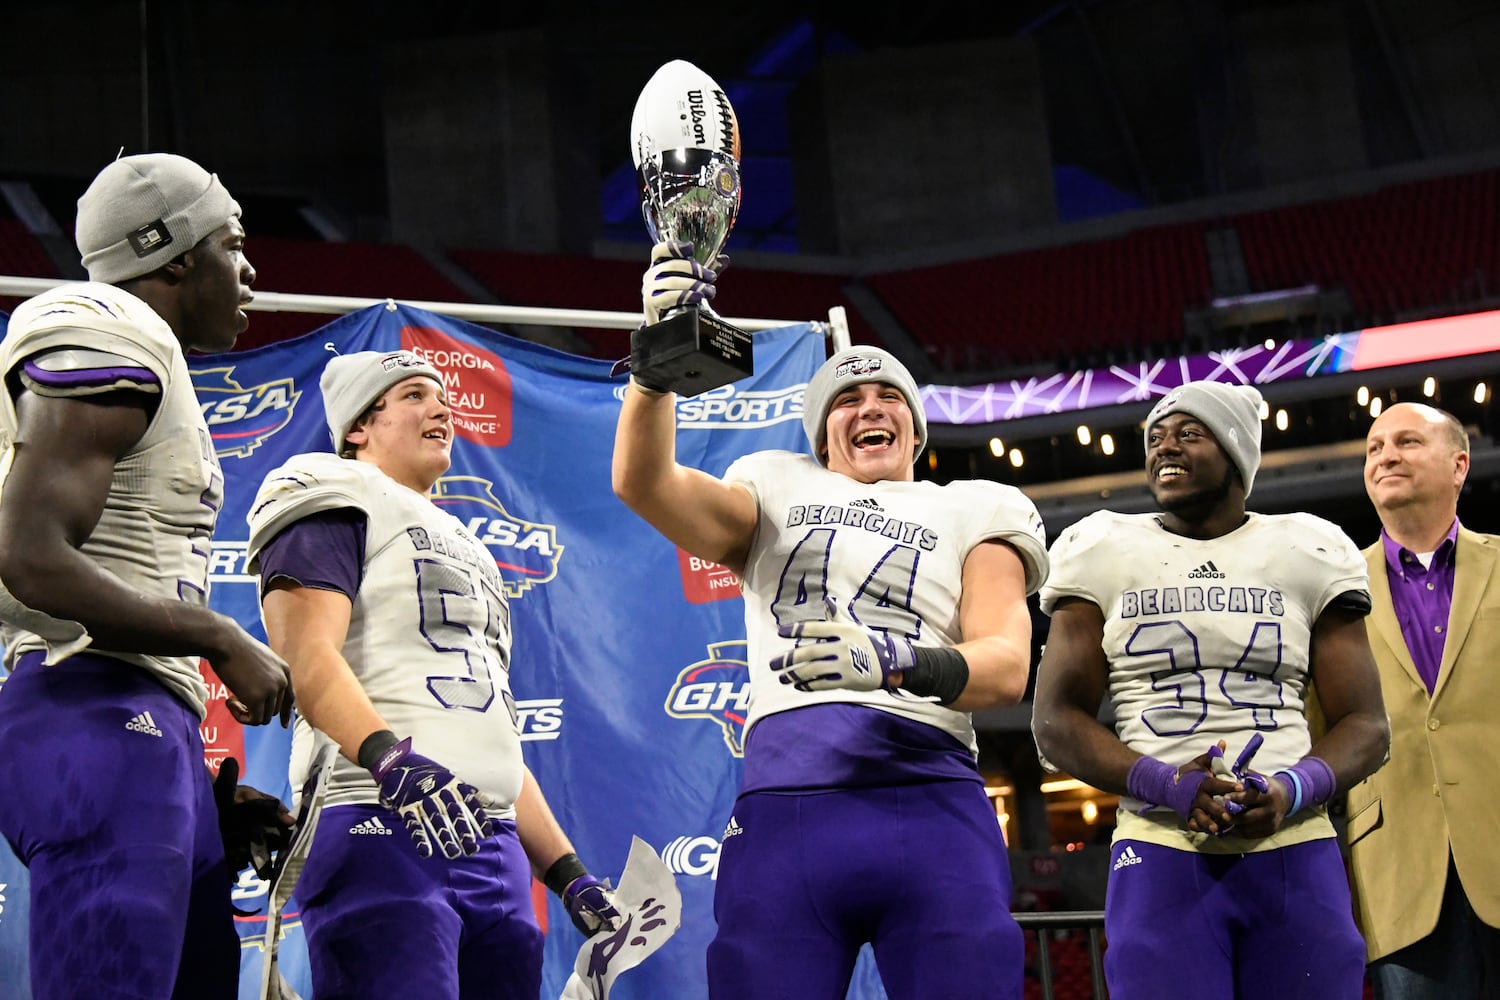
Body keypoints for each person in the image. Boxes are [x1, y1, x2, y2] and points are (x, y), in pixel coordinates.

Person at [612, 241, 1049, 1000]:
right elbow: (644, 484)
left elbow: (1007, 665)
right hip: (790, 810)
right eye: (848, 400)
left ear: (916, 431)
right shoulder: (774, 485)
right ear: (820, 437)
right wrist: (654, 370)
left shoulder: (976, 507)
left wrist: (894, 662)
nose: (869, 406)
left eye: (889, 397)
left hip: (931, 799)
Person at [0, 152, 295, 998]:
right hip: (91, 709)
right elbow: (30, 555)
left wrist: (201, 803)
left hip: (129, 723)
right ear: (172, 254)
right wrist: (215, 632)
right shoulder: (102, 322)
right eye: (231, 243)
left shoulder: (150, 354)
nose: (249, 270)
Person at [246, 349, 621, 1000]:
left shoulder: (468, 544)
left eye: (443, 395)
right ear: (360, 425)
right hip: (379, 815)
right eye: (415, 394)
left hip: (493, 842)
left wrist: (568, 874)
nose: (441, 406)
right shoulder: (330, 485)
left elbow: (484, 733)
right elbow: (306, 655)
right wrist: (391, 760)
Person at [1031, 379, 1390, 1000]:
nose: (1165, 448)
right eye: (1156, 437)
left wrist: (1290, 788)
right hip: (1161, 846)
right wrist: (1167, 783)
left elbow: (1368, 725)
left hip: (1293, 845)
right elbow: (1056, 720)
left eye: (1189, 434)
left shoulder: (1307, 547)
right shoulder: (1104, 547)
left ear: (1236, 453)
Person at [1350, 401, 1500, 999]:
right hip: (1398, 876)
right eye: (1375, 448)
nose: (1386, 455)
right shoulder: (1333, 590)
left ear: (1458, 464)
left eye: (1407, 442)